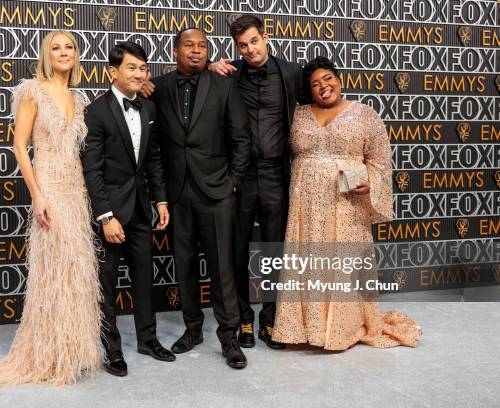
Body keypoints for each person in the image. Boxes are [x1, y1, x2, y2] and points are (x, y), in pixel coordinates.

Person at [0, 30, 103, 388]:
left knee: (75, 275)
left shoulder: (79, 98)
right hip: (50, 191)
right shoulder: (31, 91)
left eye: (69, 47)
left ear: (76, 54)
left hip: (77, 192)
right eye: (55, 47)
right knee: (53, 275)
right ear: (46, 54)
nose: (63, 52)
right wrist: (38, 196)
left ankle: (68, 352)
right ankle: (47, 353)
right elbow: (19, 147)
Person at [272, 56, 422, 350]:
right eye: (315, 84)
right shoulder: (298, 114)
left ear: (339, 79)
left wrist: (370, 183)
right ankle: (305, 329)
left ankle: (343, 329)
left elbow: (380, 163)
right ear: (309, 90)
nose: (323, 86)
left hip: (347, 204)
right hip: (306, 206)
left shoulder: (366, 114)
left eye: (328, 78)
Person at [145, 28, 251, 368]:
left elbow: (241, 139)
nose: (196, 51)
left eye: (203, 46)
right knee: (185, 264)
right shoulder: (158, 88)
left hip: (217, 191)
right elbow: (153, 145)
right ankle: (192, 329)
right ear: (175, 50)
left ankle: (229, 336)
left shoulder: (224, 85)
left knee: (223, 268)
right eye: (189, 45)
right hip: (177, 193)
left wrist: (233, 181)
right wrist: (161, 193)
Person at [207, 15, 308, 350]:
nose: (248, 49)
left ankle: (270, 320)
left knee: (273, 251)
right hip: (240, 176)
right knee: (236, 250)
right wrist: (208, 67)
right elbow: (194, 85)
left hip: (277, 175)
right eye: (242, 45)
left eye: (253, 41)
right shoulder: (228, 74)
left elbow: (321, 105)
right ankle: (243, 320)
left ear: (266, 37)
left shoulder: (292, 72)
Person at [81, 42, 175, 377]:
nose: (139, 74)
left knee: (144, 277)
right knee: (107, 283)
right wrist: (105, 216)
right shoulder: (96, 112)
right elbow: (91, 170)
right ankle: (112, 350)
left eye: (143, 68)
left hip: (140, 209)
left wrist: (160, 200)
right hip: (110, 212)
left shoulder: (148, 109)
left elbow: (153, 161)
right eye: (132, 67)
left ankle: (148, 340)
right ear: (113, 72)